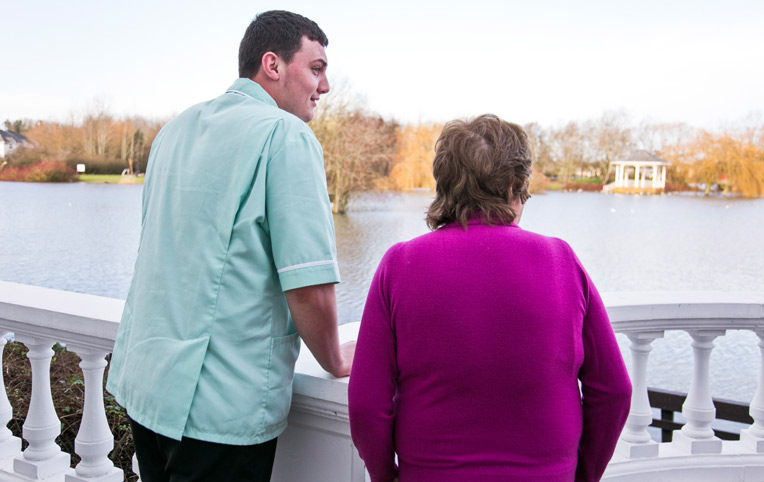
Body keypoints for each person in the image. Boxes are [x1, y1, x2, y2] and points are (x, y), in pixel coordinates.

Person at [106, 10, 354, 482]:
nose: (325, 87)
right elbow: (308, 283)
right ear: (273, 65)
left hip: (146, 390)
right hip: (219, 410)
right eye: (317, 68)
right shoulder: (286, 137)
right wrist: (336, 360)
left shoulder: (174, 130)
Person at [348, 114, 632, 482]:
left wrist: (387, 477)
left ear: (444, 183)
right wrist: (584, 474)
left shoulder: (399, 266)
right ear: (517, 185)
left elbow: (367, 405)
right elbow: (614, 392)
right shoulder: (561, 261)